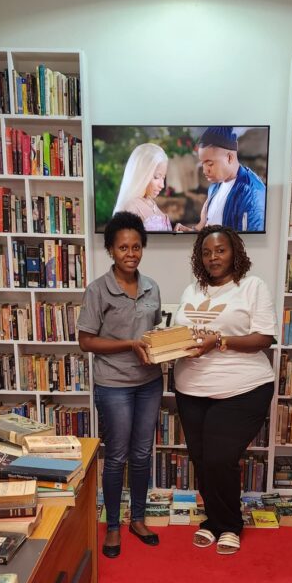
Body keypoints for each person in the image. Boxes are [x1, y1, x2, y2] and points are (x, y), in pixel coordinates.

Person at [174, 225, 276, 555]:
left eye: (220, 250)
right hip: (191, 389)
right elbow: (181, 334)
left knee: (220, 459)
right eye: (206, 252)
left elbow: (264, 338)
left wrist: (219, 341)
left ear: (234, 252)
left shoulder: (252, 286)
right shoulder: (192, 290)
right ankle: (213, 520)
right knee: (202, 460)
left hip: (242, 389)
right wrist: (162, 347)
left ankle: (230, 524)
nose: (213, 257)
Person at [78, 211, 163, 558]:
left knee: (142, 454)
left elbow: (153, 333)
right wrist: (129, 344)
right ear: (111, 250)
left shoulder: (152, 286)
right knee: (116, 456)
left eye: (136, 246)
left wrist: (164, 346)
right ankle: (113, 525)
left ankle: (138, 519)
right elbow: (86, 341)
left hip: (149, 383)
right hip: (113, 384)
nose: (131, 253)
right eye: (123, 247)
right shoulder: (98, 290)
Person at [174, 126, 266, 233]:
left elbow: (249, 239)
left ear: (229, 157)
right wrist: (191, 231)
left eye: (210, 164)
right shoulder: (215, 186)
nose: (204, 171)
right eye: (202, 164)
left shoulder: (251, 193)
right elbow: (207, 226)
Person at [113, 143, 172, 232]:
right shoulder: (131, 207)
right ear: (142, 174)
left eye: (163, 178)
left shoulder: (150, 202)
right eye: (156, 177)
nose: (162, 185)